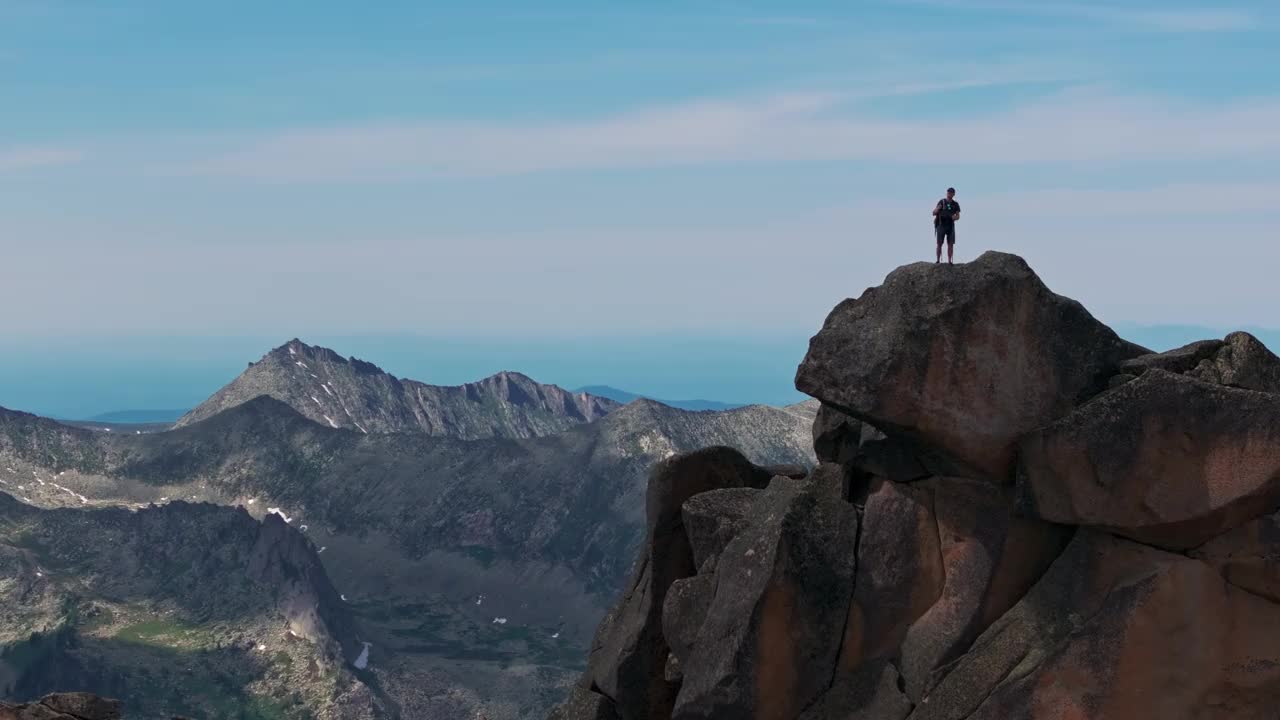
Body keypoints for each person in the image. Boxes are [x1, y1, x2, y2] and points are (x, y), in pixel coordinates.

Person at [932, 187, 961, 264]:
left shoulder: (955, 204)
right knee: (939, 243)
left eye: (951, 193)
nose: (949, 194)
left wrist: (954, 218)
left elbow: (958, 216)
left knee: (950, 244)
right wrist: (938, 209)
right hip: (941, 224)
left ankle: (949, 261)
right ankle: (938, 260)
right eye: (948, 192)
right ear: (947, 193)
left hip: (950, 225)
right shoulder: (942, 202)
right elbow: (933, 213)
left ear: (954, 194)